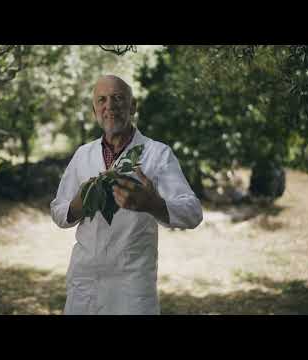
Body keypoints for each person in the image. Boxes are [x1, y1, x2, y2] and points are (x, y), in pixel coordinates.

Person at [50, 75, 203, 315]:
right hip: (85, 282)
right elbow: (58, 211)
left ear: (133, 106)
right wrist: (75, 208)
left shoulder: (157, 154)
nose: (109, 105)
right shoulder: (83, 155)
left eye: (118, 98)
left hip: (132, 287)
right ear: (94, 110)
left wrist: (154, 204)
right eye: (102, 100)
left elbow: (193, 213)